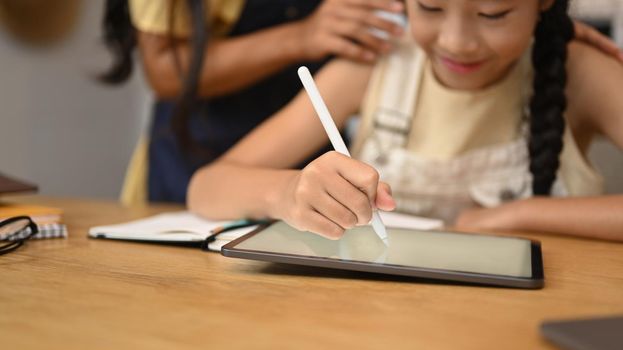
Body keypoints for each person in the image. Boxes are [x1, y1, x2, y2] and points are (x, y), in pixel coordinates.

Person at [187, 0, 623, 242]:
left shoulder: (581, 71)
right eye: (430, 7)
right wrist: (289, 193)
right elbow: (205, 187)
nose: (456, 42)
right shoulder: (376, 64)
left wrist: (518, 215)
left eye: (493, 14)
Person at [101, 0, 407, 204]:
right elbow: (166, 71)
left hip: (312, 160)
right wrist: (301, 36)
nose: (454, 42)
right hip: (192, 157)